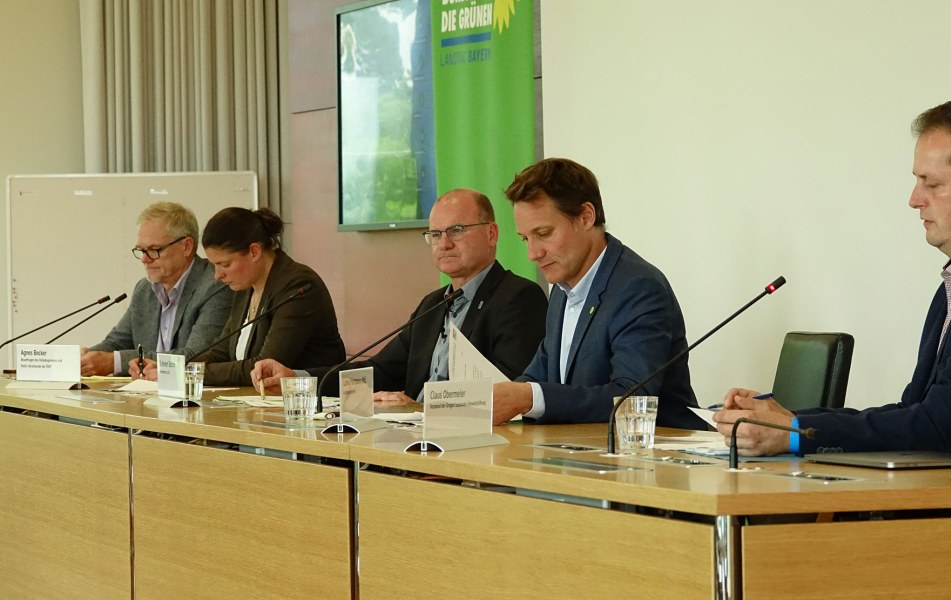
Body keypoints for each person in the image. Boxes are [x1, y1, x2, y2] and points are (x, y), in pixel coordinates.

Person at [714, 99, 951, 468]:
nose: (914, 199)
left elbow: (941, 430)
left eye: (932, 184)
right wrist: (788, 419)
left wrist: (796, 432)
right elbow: (915, 410)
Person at [251, 189, 548, 399]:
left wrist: (420, 407)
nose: (443, 243)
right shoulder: (432, 305)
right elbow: (378, 371)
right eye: (434, 234)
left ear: (492, 233)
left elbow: (509, 389)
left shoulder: (518, 297)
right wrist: (297, 379)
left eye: (456, 230)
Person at [491, 158, 707, 429]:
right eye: (526, 238)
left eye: (543, 234)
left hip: (655, 455)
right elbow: (539, 374)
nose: (533, 253)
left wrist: (528, 397)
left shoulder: (638, 287)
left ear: (585, 217)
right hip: (581, 453)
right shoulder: (562, 289)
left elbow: (631, 398)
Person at [135, 207, 344, 386]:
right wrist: (172, 368)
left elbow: (263, 366)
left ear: (254, 252)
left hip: (310, 408)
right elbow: (221, 350)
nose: (217, 275)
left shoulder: (297, 286)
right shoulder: (247, 286)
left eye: (224, 265)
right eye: (214, 265)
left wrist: (187, 374)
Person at [80, 202, 232, 376]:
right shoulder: (144, 289)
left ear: (186, 246)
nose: (144, 259)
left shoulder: (215, 285)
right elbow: (117, 343)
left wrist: (114, 362)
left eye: (153, 250)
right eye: (140, 250)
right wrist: (88, 357)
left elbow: (196, 357)